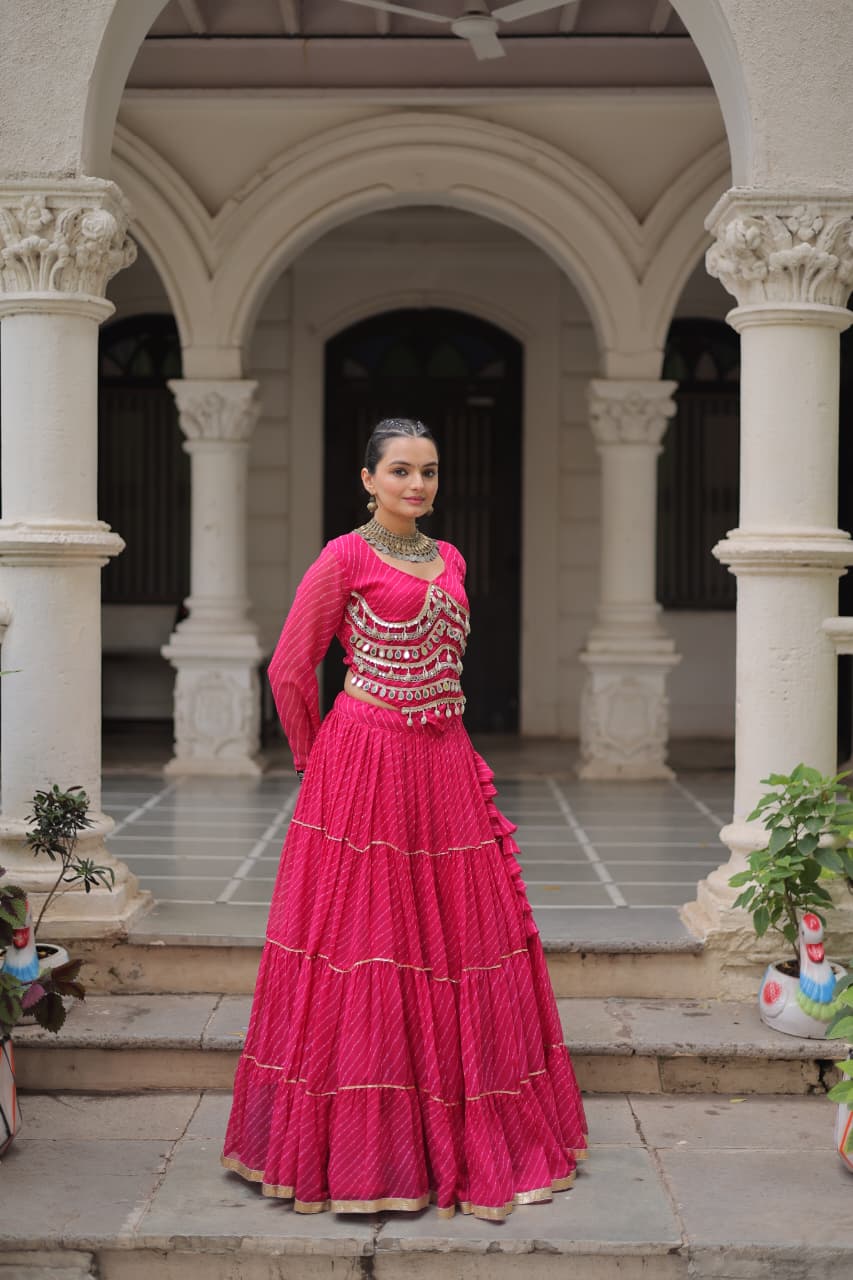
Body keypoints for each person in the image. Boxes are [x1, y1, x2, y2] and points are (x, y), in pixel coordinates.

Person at [222, 417, 588, 1220]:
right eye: (398, 471)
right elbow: (291, 668)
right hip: (364, 760)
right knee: (371, 941)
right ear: (367, 480)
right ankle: (365, 1146)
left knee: (460, 937)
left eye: (426, 471)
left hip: (443, 761)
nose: (415, 485)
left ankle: (455, 1134)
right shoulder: (342, 558)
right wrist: (318, 763)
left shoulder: (448, 557)